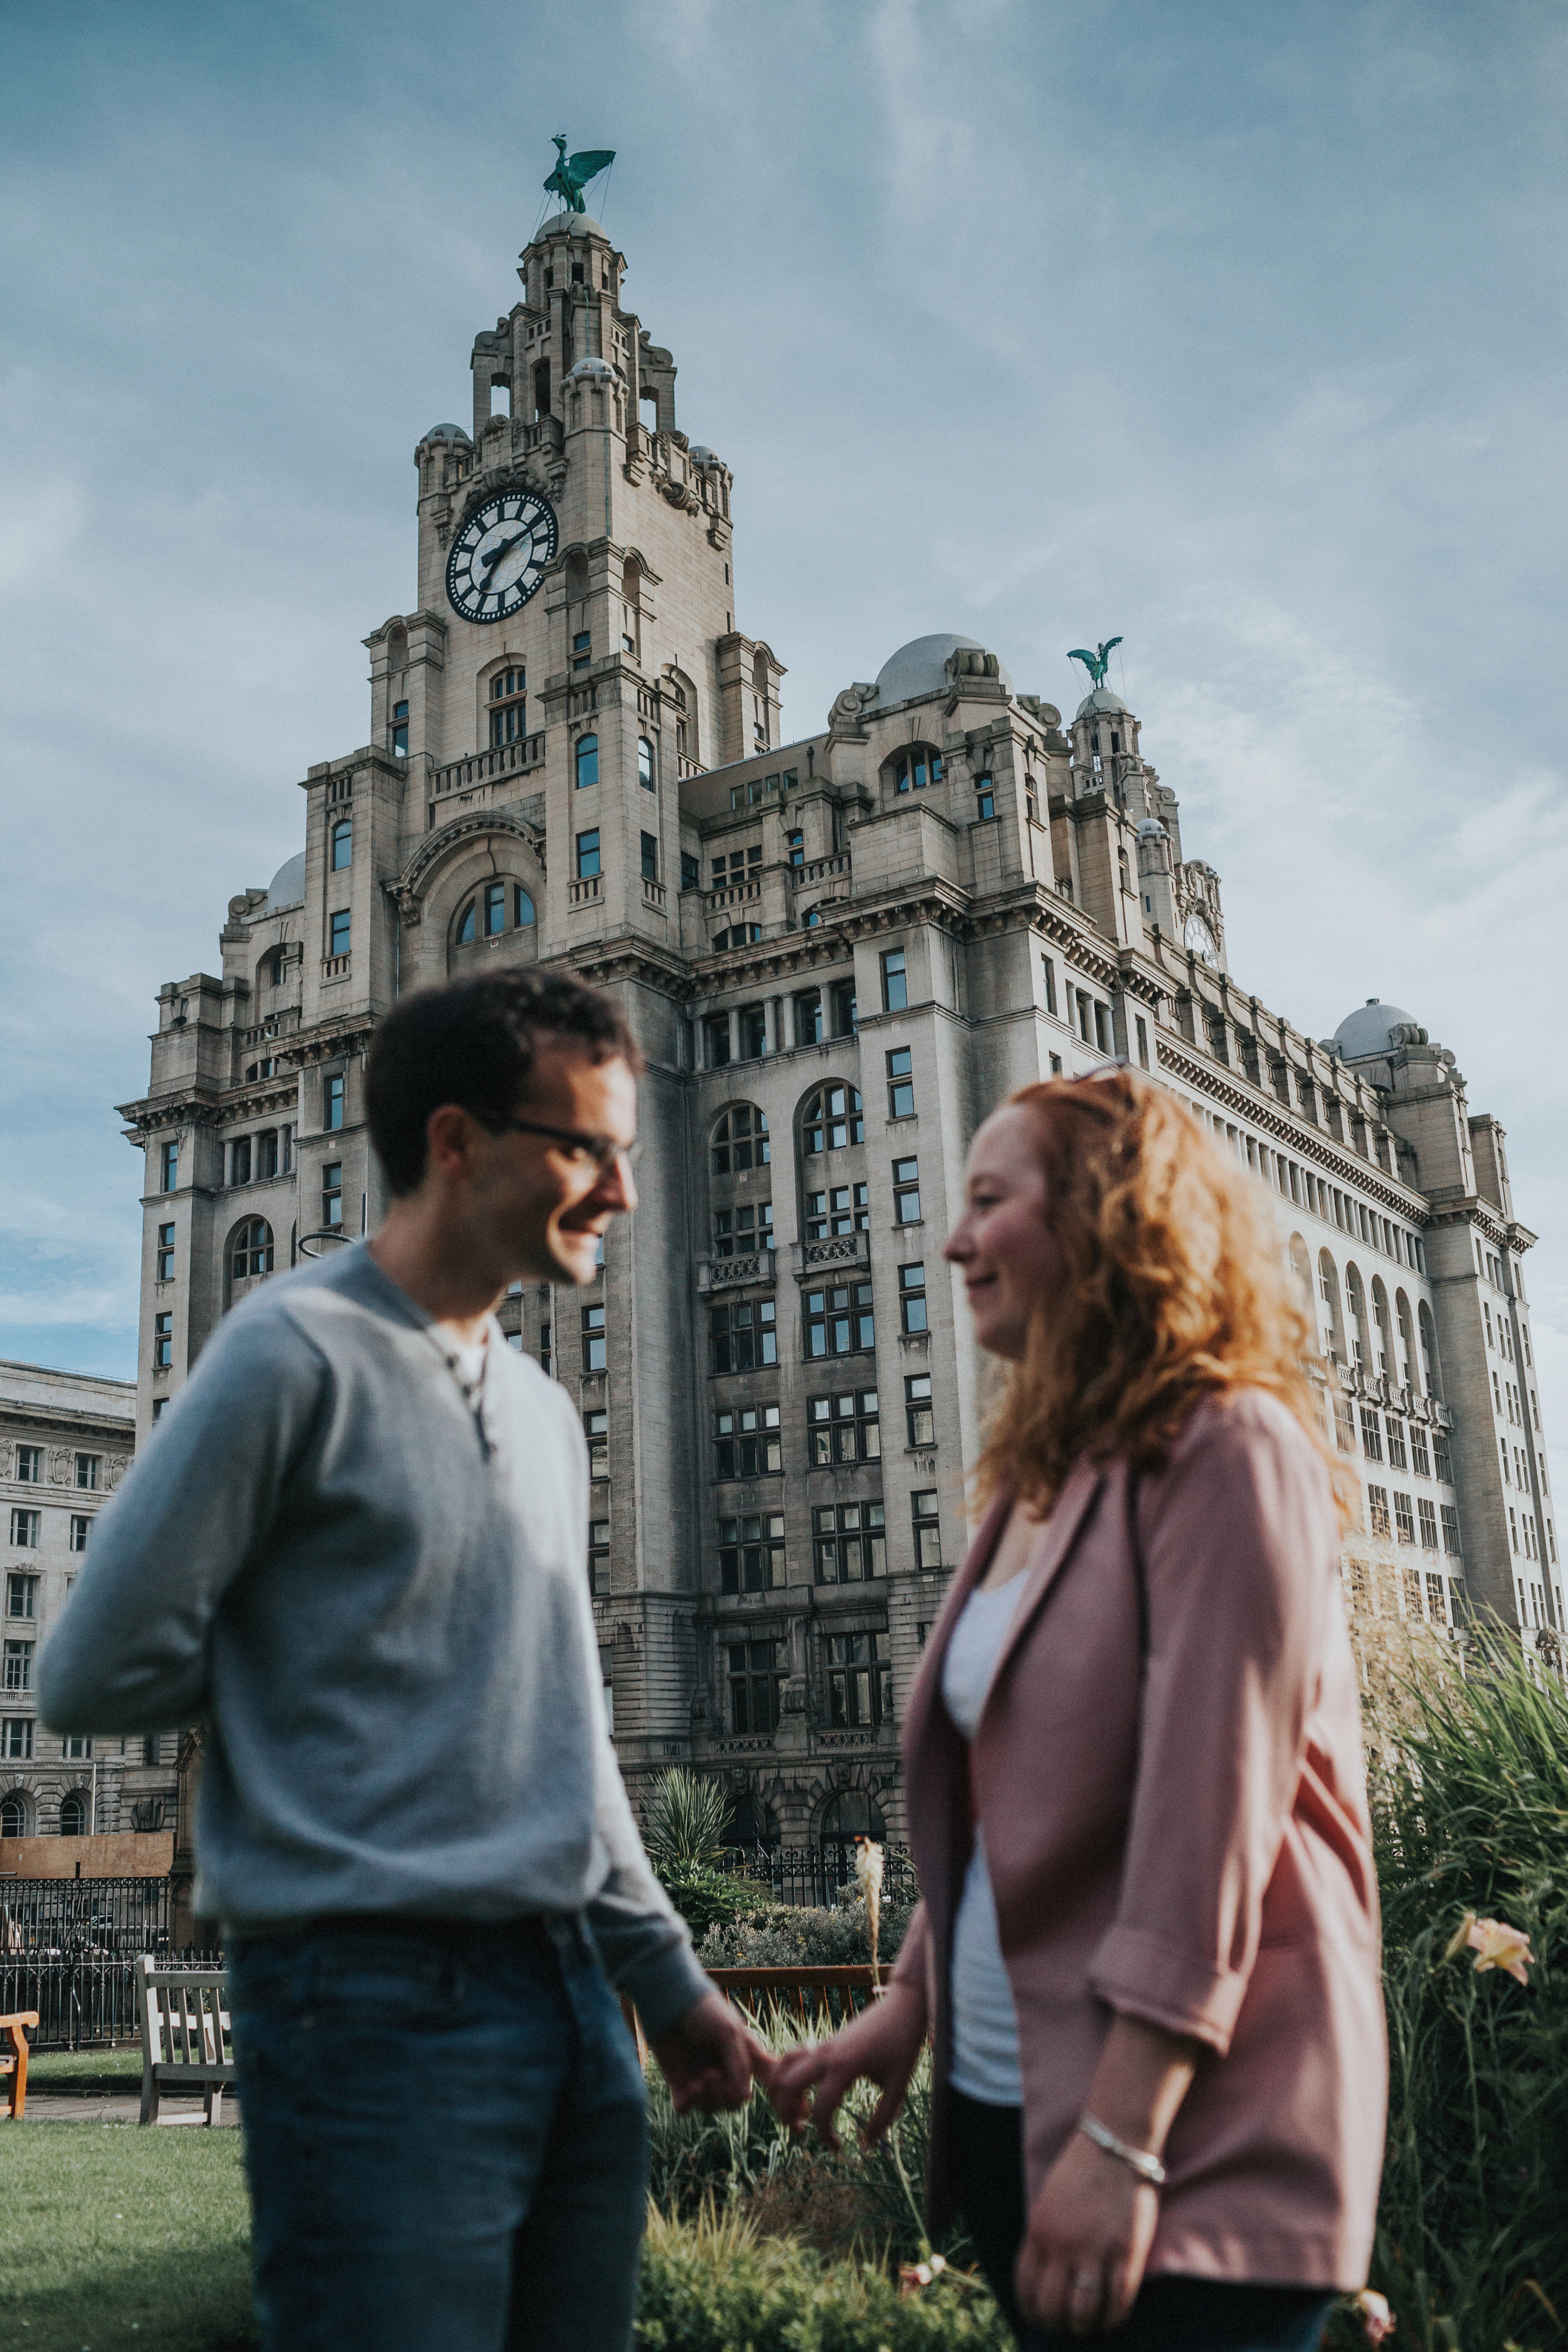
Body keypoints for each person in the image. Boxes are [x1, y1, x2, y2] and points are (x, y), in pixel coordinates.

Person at [40, 967, 763, 2352]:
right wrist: (316, 1670)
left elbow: (571, 1743)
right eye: (584, 1149)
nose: (620, 1190)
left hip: (572, 2011)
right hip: (366, 2007)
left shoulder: (548, 1413)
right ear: (454, 1143)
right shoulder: (288, 1354)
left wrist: (666, 1987)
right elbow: (91, 1669)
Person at [771, 1071, 1386, 2351]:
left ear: (1106, 1219)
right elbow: (1015, 1797)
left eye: (988, 1200)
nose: (950, 1240)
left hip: (1184, 2139)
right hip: (1017, 2110)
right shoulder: (1040, 1480)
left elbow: (1206, 1823)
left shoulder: (1229, 1448)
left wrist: (1122, 2138)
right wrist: (912, 1998)